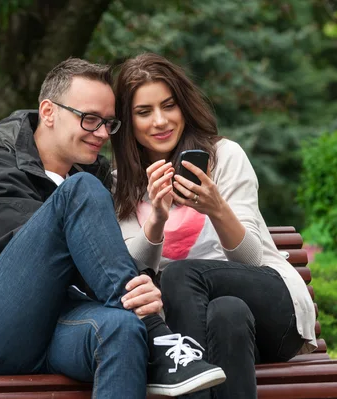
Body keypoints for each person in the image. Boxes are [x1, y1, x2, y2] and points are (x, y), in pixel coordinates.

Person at [0, 58, 226, 398]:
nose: (103, 134)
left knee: (121, 328)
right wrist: (137, 298)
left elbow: (102, 261)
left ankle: (147, 331)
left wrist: (141, 287)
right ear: (48, 112)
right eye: (90, 120)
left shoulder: (95, 179)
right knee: (81, 192)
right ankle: (156, 333)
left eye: (109, 123)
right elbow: (52, 256)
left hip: (61, 329)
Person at [111, 52, 317, 398]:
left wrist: (217, 208)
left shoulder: (225, 158)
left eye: (169, 106)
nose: (160, 121)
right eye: (144, 112)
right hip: (215, 326)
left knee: (179, 274)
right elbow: (131, 272)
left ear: (184, 107)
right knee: (227, 312)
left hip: (272, 311)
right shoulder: (120, 185)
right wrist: (157, 219)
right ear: (128, 122)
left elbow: (251, 260)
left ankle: (186, 380)